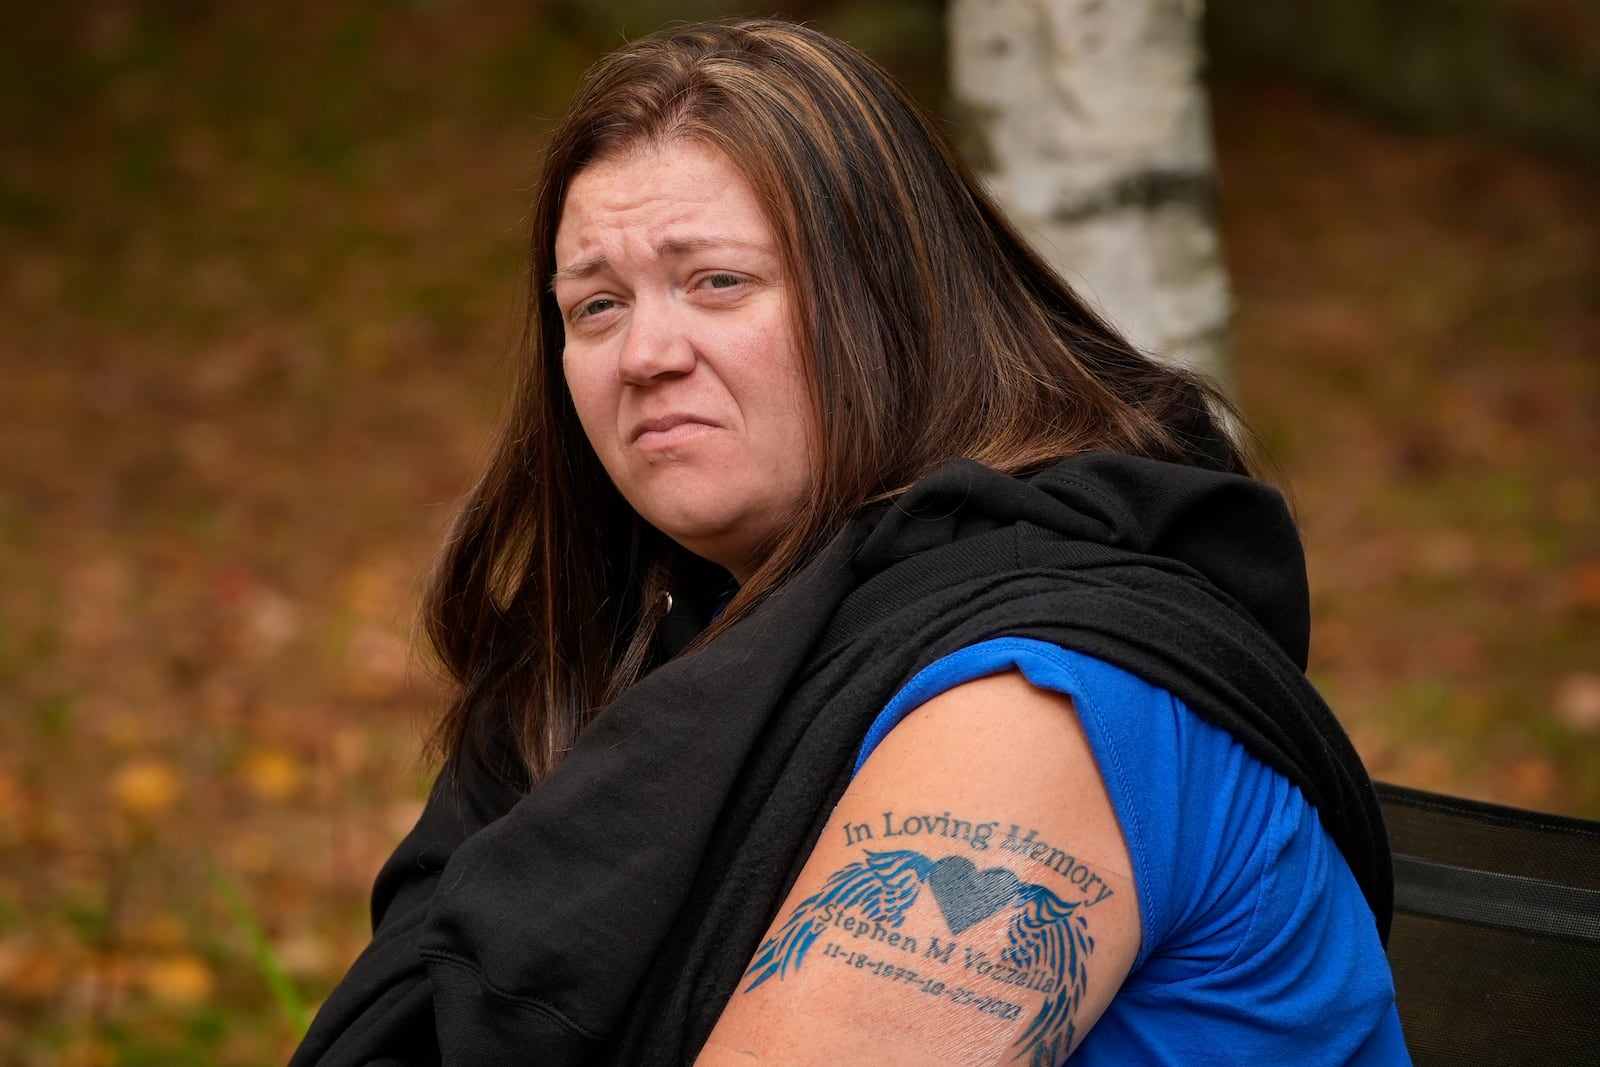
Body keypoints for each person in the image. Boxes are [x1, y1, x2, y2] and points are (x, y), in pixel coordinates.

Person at [292, 17, 1408, 1066]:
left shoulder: (1038, 694)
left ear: (894, 306)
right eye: (595, 306)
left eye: (716, 282)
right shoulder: (663, 667)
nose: (644, 354)